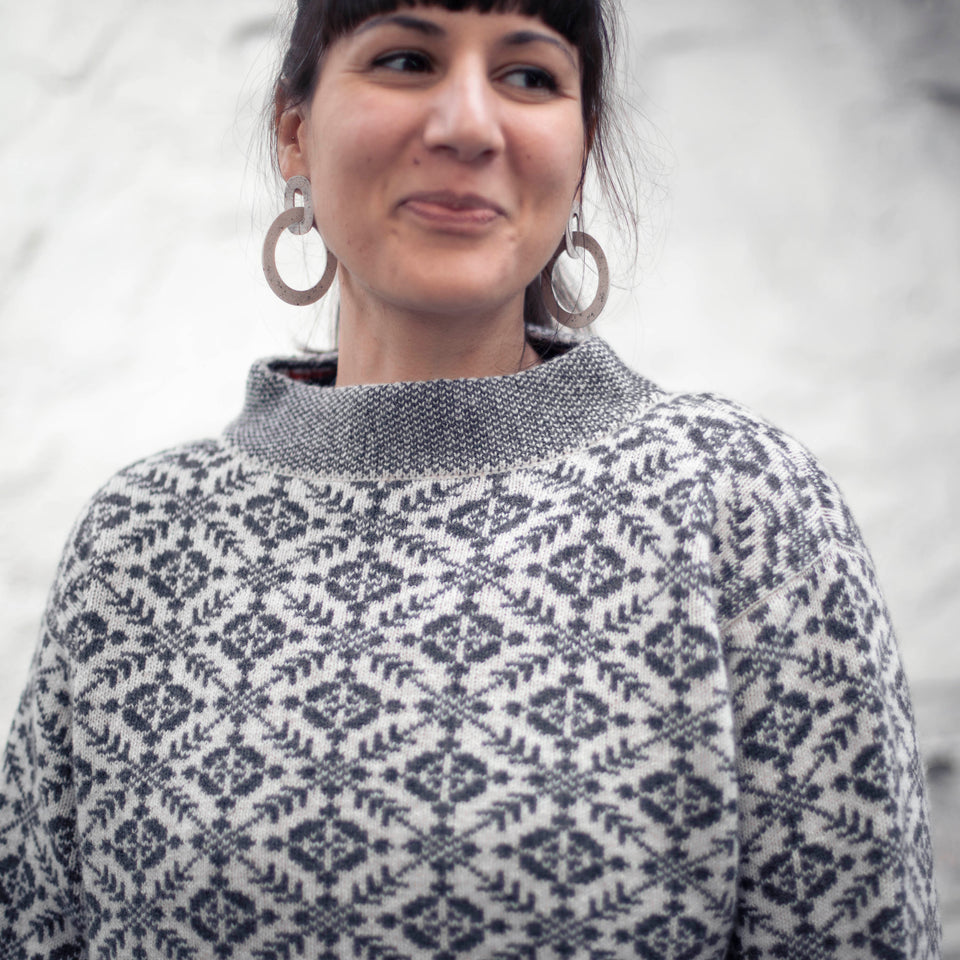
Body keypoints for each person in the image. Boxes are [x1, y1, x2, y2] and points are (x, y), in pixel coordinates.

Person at [0, 0, 942, 956]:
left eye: (529, 75)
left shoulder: (739, 506)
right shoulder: (140, 543)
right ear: (295, 133)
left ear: (579, 154)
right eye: (407, 59)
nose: (467, 125)